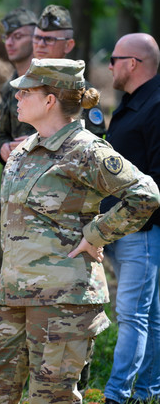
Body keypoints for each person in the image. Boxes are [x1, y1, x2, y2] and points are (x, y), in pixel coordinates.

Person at [0, 58, 160, 404]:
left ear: (50, 100)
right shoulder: (23, 152)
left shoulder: (86, 150)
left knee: (52, 398)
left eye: (26, 92)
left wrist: (96, 233)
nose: (15, 97)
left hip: (62, 303)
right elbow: (12, 219)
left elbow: (146, 195)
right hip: (12, 297)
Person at [101, 33, 160, 404]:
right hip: (125, 228)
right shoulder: (134, 102)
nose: (109, 66)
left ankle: (117, 395)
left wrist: (134, 222)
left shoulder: (155, 106)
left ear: (133, 64)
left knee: (132, 316)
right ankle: (147, 391)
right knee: (150, 317)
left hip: (141, 229)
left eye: (114, 58)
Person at [0, 7, 37, 277]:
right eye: (6, 36)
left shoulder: (51, 81)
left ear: (36, 39)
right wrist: (4, 149)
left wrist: (35, 143)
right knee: (5, 273)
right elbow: (0, 137)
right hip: (12, 195)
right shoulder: (11, 86)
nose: (9, 42)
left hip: (45, 198)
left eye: (17, 36)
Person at [32, 5, 105, 137]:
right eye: (37, 38)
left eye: (49, 39)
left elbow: (92, 141)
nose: (40, 44)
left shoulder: (79, 91)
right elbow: (1, 135)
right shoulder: (25, 85)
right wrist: (4, 146)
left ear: (68, 45)